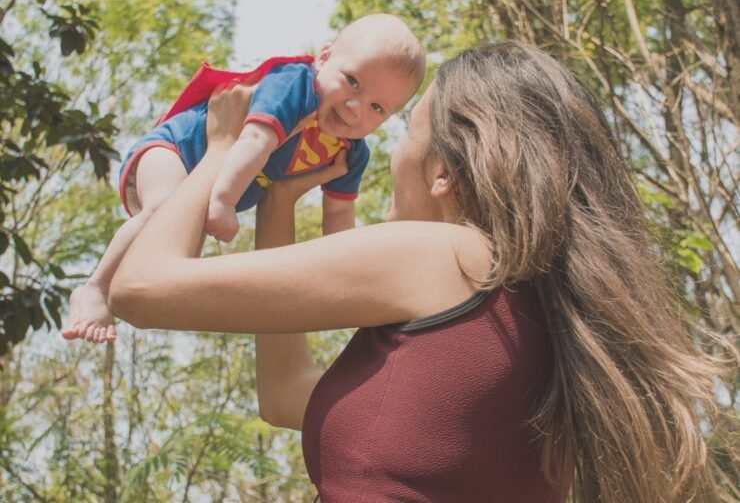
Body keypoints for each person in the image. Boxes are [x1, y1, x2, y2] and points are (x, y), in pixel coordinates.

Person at [108, 41, 721, 502]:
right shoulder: (538, 312)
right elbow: (286, 396)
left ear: (443, 172)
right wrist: (280, 200)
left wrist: (220, 149)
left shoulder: (445, 255)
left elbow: (141, 288)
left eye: (406, 129)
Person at [62, 13, 425, 344]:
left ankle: (127, 294)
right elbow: (254, 140)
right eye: (352, 82)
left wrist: (351, 277)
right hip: (176, 149)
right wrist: (223, 200)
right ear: (325, 57)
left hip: (207, 185)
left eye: (377, 107)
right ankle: (95, 287)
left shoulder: (351, 152)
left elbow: (340, 218)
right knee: (162, 207)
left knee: (176, 258)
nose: (355, 108)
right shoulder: (294, 86)